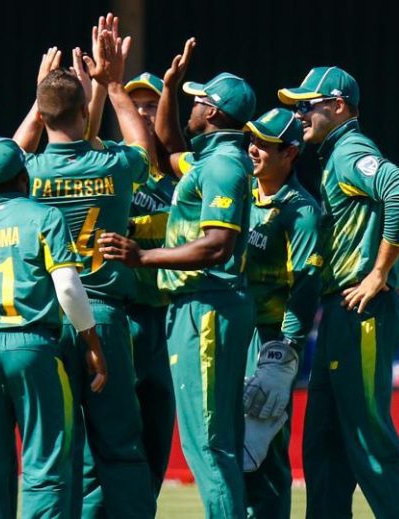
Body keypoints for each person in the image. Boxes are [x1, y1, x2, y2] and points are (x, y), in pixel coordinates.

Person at [99, 38, 258, 518]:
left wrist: (142, 256)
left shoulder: (225, 165)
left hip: (207, 305)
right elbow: (167, 149)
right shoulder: (211, 159)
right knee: (212, 444)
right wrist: (168, 87)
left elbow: (217, 245)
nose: (188, 107)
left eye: (195, 101)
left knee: (209, 448)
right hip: (198, 306)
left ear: (211, 112)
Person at [16, 25, 157, 518]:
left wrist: (40, 99)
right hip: (108, 317)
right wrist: (113, 85)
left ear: (43, 113)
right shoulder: (113, 165)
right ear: (83, 112)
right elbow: (145, 149)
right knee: (120, 445)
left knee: (57, 451)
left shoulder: (27, 174)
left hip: (48, 323)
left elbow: (5, 159)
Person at [278, 66, 399, 518]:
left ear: (338, 106)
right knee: (323, 442)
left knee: (366, 437)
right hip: (342, 311)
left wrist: (381, 271)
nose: (299, 114)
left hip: (362, 308)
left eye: (307, 105)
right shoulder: (336, 153)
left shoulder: (350, 150)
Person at [0, 137, 107, 518]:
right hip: (32, 344)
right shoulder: (45, 217)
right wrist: (92, 343)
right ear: (25, 177)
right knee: (45, 464)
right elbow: (69, 287)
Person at [240, 108, 322, 518]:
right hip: (230, 329)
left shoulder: (302, 211)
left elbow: (306, 285)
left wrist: (284, 353)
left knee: (264, 443)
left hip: (268, 338)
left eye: (265, 145)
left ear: (290, 153)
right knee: (229, 446)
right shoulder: (239, 188)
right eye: (251, 140)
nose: (252, 149)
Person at [117, 70, 178, 499]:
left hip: (171, 319)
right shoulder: (116, 166)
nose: (142, 112)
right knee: (115, 432)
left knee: (158, 435)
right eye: (136, 105)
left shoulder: (184, 173)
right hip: (124, 313)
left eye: (152, 106)